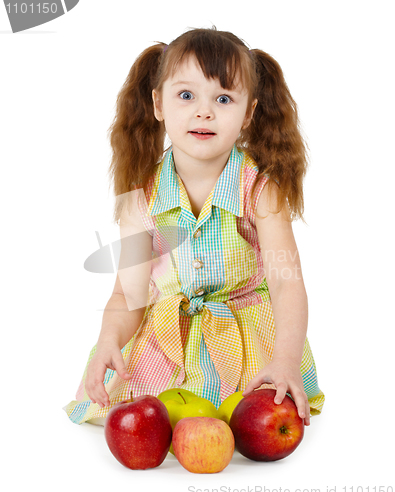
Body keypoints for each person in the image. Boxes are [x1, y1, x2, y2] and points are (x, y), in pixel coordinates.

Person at [63, 26, 325, 426]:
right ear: (158, 104)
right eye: (186, 95)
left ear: (249, 113)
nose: (204, 111)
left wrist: (285, 360)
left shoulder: (261, 193)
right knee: (144, 419)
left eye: (223, 98)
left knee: (245, 421)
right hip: (167, 341)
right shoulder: (141, 197)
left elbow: (287, 284)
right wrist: (109, 340)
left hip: (244, 341)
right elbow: (128, 292)